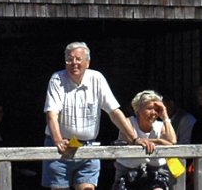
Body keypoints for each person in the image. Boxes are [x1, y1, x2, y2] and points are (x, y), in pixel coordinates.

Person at [43, 42, 154, 190]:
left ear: (87, 62)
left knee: (88, 188)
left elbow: (114, 112)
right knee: (59, 188)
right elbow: (51, 114)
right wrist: (58, 140)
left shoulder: (97, 78)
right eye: (70, 59)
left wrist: (135, 138)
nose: (74, 63)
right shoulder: (57, 79)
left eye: (78, 59)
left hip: (87, 145)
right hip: (64, 146)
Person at [114, 91, 179, 190]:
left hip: (155, 174)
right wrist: (161, 141)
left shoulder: (160, 125)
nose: (153, 112)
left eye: (157, 109)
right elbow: (131, 140)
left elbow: (172, 142)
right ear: (137, 110)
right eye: (149, 108)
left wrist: (165, 117)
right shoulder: (128, 123)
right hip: (128, 173)